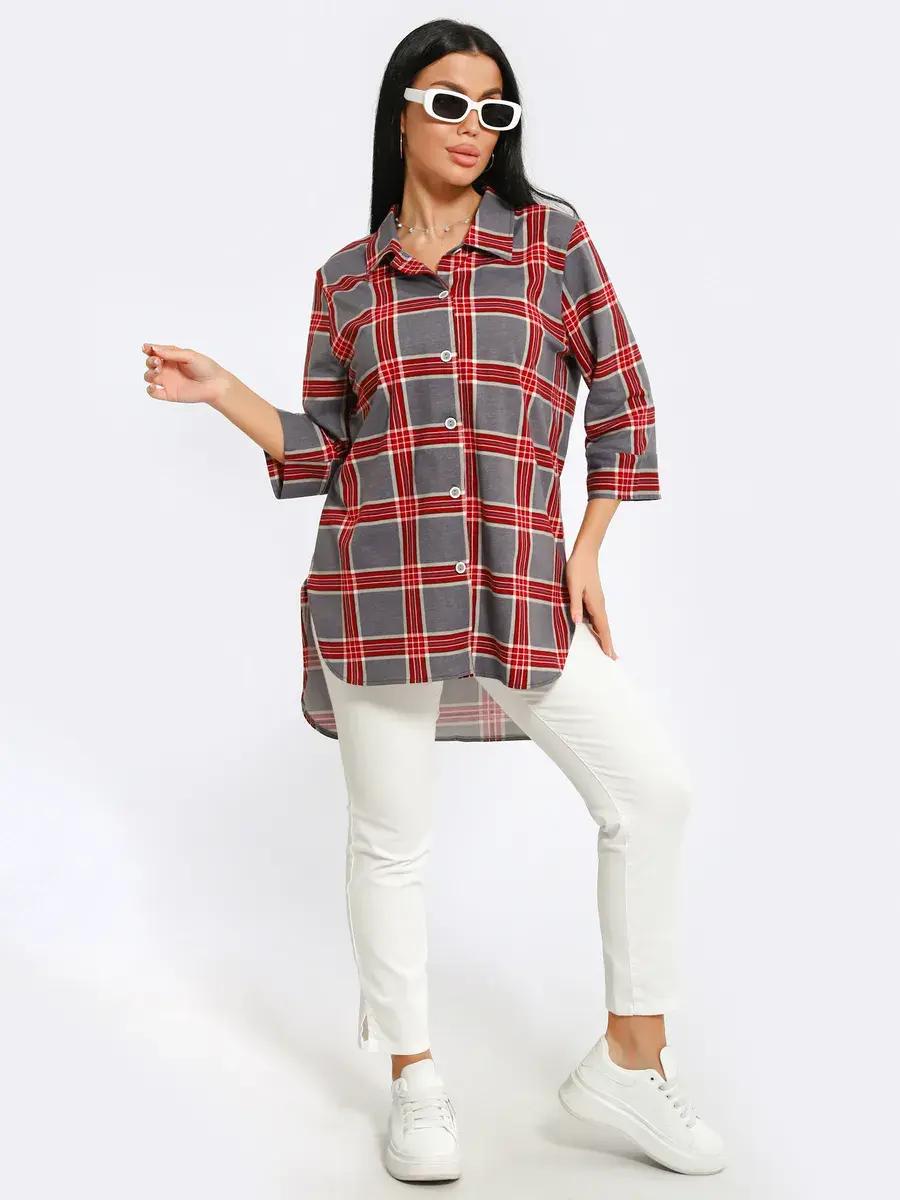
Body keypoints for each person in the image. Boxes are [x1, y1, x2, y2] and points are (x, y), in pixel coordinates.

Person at [140, 17, 725, 1184]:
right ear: (401, 111)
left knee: (651, 793)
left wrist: (588, 549)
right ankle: (414, 1078)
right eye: (449, 101)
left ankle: (630, 1059)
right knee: (390, 844)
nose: (473, 127)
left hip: (517, 583)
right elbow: (327, 448)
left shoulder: (552, 243)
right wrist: (223, 392)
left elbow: (624, 400)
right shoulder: (346, 282)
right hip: (378, 587)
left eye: (494, 109)